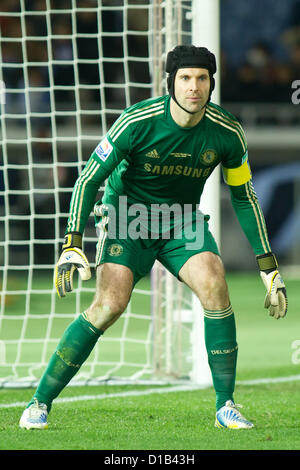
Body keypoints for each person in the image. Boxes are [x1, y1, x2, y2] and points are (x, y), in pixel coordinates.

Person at [19, 45, 287, 431]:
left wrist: (268, 267)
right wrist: (72, 242)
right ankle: (39, 402)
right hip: (128, 217)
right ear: (170, 83)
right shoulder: (136, 121)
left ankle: (225, 405)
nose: (193, 86)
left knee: (214, 282)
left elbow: (244, 196)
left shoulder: (228, 132)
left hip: (181, 221)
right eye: (185, 78)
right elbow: (88, 178)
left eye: (201, 78)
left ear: (211, 83)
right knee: (110, 304)